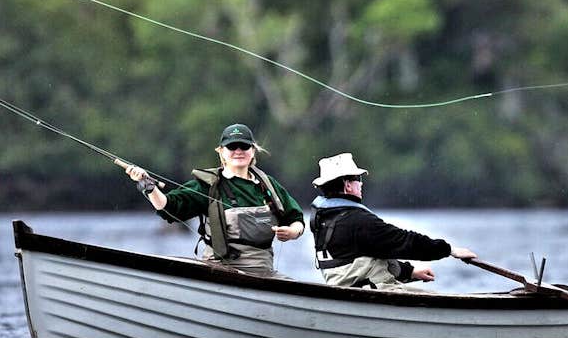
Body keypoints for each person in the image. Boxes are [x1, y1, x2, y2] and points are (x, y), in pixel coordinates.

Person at [124, 123, 305, 277]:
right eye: (232, 147)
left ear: (253, 150)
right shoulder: (208, 185)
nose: (238, 151)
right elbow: (168, 208)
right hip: (220, 272)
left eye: (244, 146)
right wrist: (148, 186)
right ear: (221, 152)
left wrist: (292, 232)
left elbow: (296, 218)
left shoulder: (268, 185)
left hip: (264, 273)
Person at [308, 152, 477, 290]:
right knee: (436, 298)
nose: (361, 185)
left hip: (347, 289)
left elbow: (362, 255)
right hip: (371, 291)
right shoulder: (358, 221)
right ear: (347, 185)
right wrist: (449, 250)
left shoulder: (322, 219)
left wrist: (409, 272)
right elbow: (405, 241)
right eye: (358, 180)